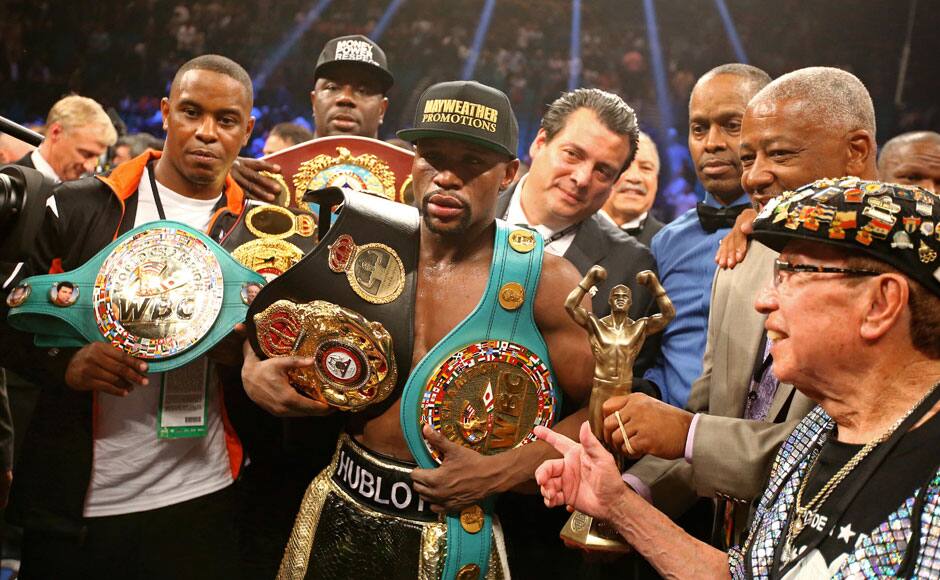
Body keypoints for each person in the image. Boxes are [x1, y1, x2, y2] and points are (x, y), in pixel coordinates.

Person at [241, 80, 594, 579]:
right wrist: (252, 370)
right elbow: (273, 317)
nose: (446, 177)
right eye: (432, 157)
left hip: (455, 533)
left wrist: (504, 470)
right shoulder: (362, 237)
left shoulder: (544, 279)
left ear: (508, 173)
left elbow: (605, 411)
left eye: (472, 163)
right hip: (339, 501)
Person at [535, 178, 940, 578]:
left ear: (880, 303)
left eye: (793, 273)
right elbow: (743, 575)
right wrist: (616, 505)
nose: (763, 301)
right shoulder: (815, 432)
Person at [1, 54, 255, 579]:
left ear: (247, 130)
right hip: (80, 504)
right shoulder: (80, 206)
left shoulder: (259, 228)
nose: (206, 132)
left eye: (226, 120)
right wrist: (66, 363)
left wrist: (246, 357)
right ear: (165, 112)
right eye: (191, 112)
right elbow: (8, 316)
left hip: (203, 494)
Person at [616, 67, 878, 545]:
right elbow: (709, 409)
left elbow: (854, 453)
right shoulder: (737, 261)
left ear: (856, 151)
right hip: (727, 545)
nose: (753, 177)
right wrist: (632, 492)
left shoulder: (908, 288)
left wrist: (690, 434)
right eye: (749, 157)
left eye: (778, 154)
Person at [643, 64, 769, 408]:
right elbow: (657, 353)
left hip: (758, 435)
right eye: (699, 129)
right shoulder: (666, 242)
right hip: (664, 435)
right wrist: (650, 393)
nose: (712, 143)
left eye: (732, 125)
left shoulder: (793, 234)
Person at [233, 34, 394, 200]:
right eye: (332, 87)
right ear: (314, 102)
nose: (345, 98)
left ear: (382, 110)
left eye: (363, 90)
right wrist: (221, 179)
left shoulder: (406, 186)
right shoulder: (265, 181)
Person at [12, 95, 117, 183]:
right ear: (56, 133)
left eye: (97, 157)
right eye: (86, 154)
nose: (90, 167)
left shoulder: (88, 193)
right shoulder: (11, 183)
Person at [599, 131, 664, 247]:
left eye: (646, 168)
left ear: (657, 180)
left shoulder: (672, 244)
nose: (634, 177)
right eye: (624, 166)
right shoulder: (570, 230)